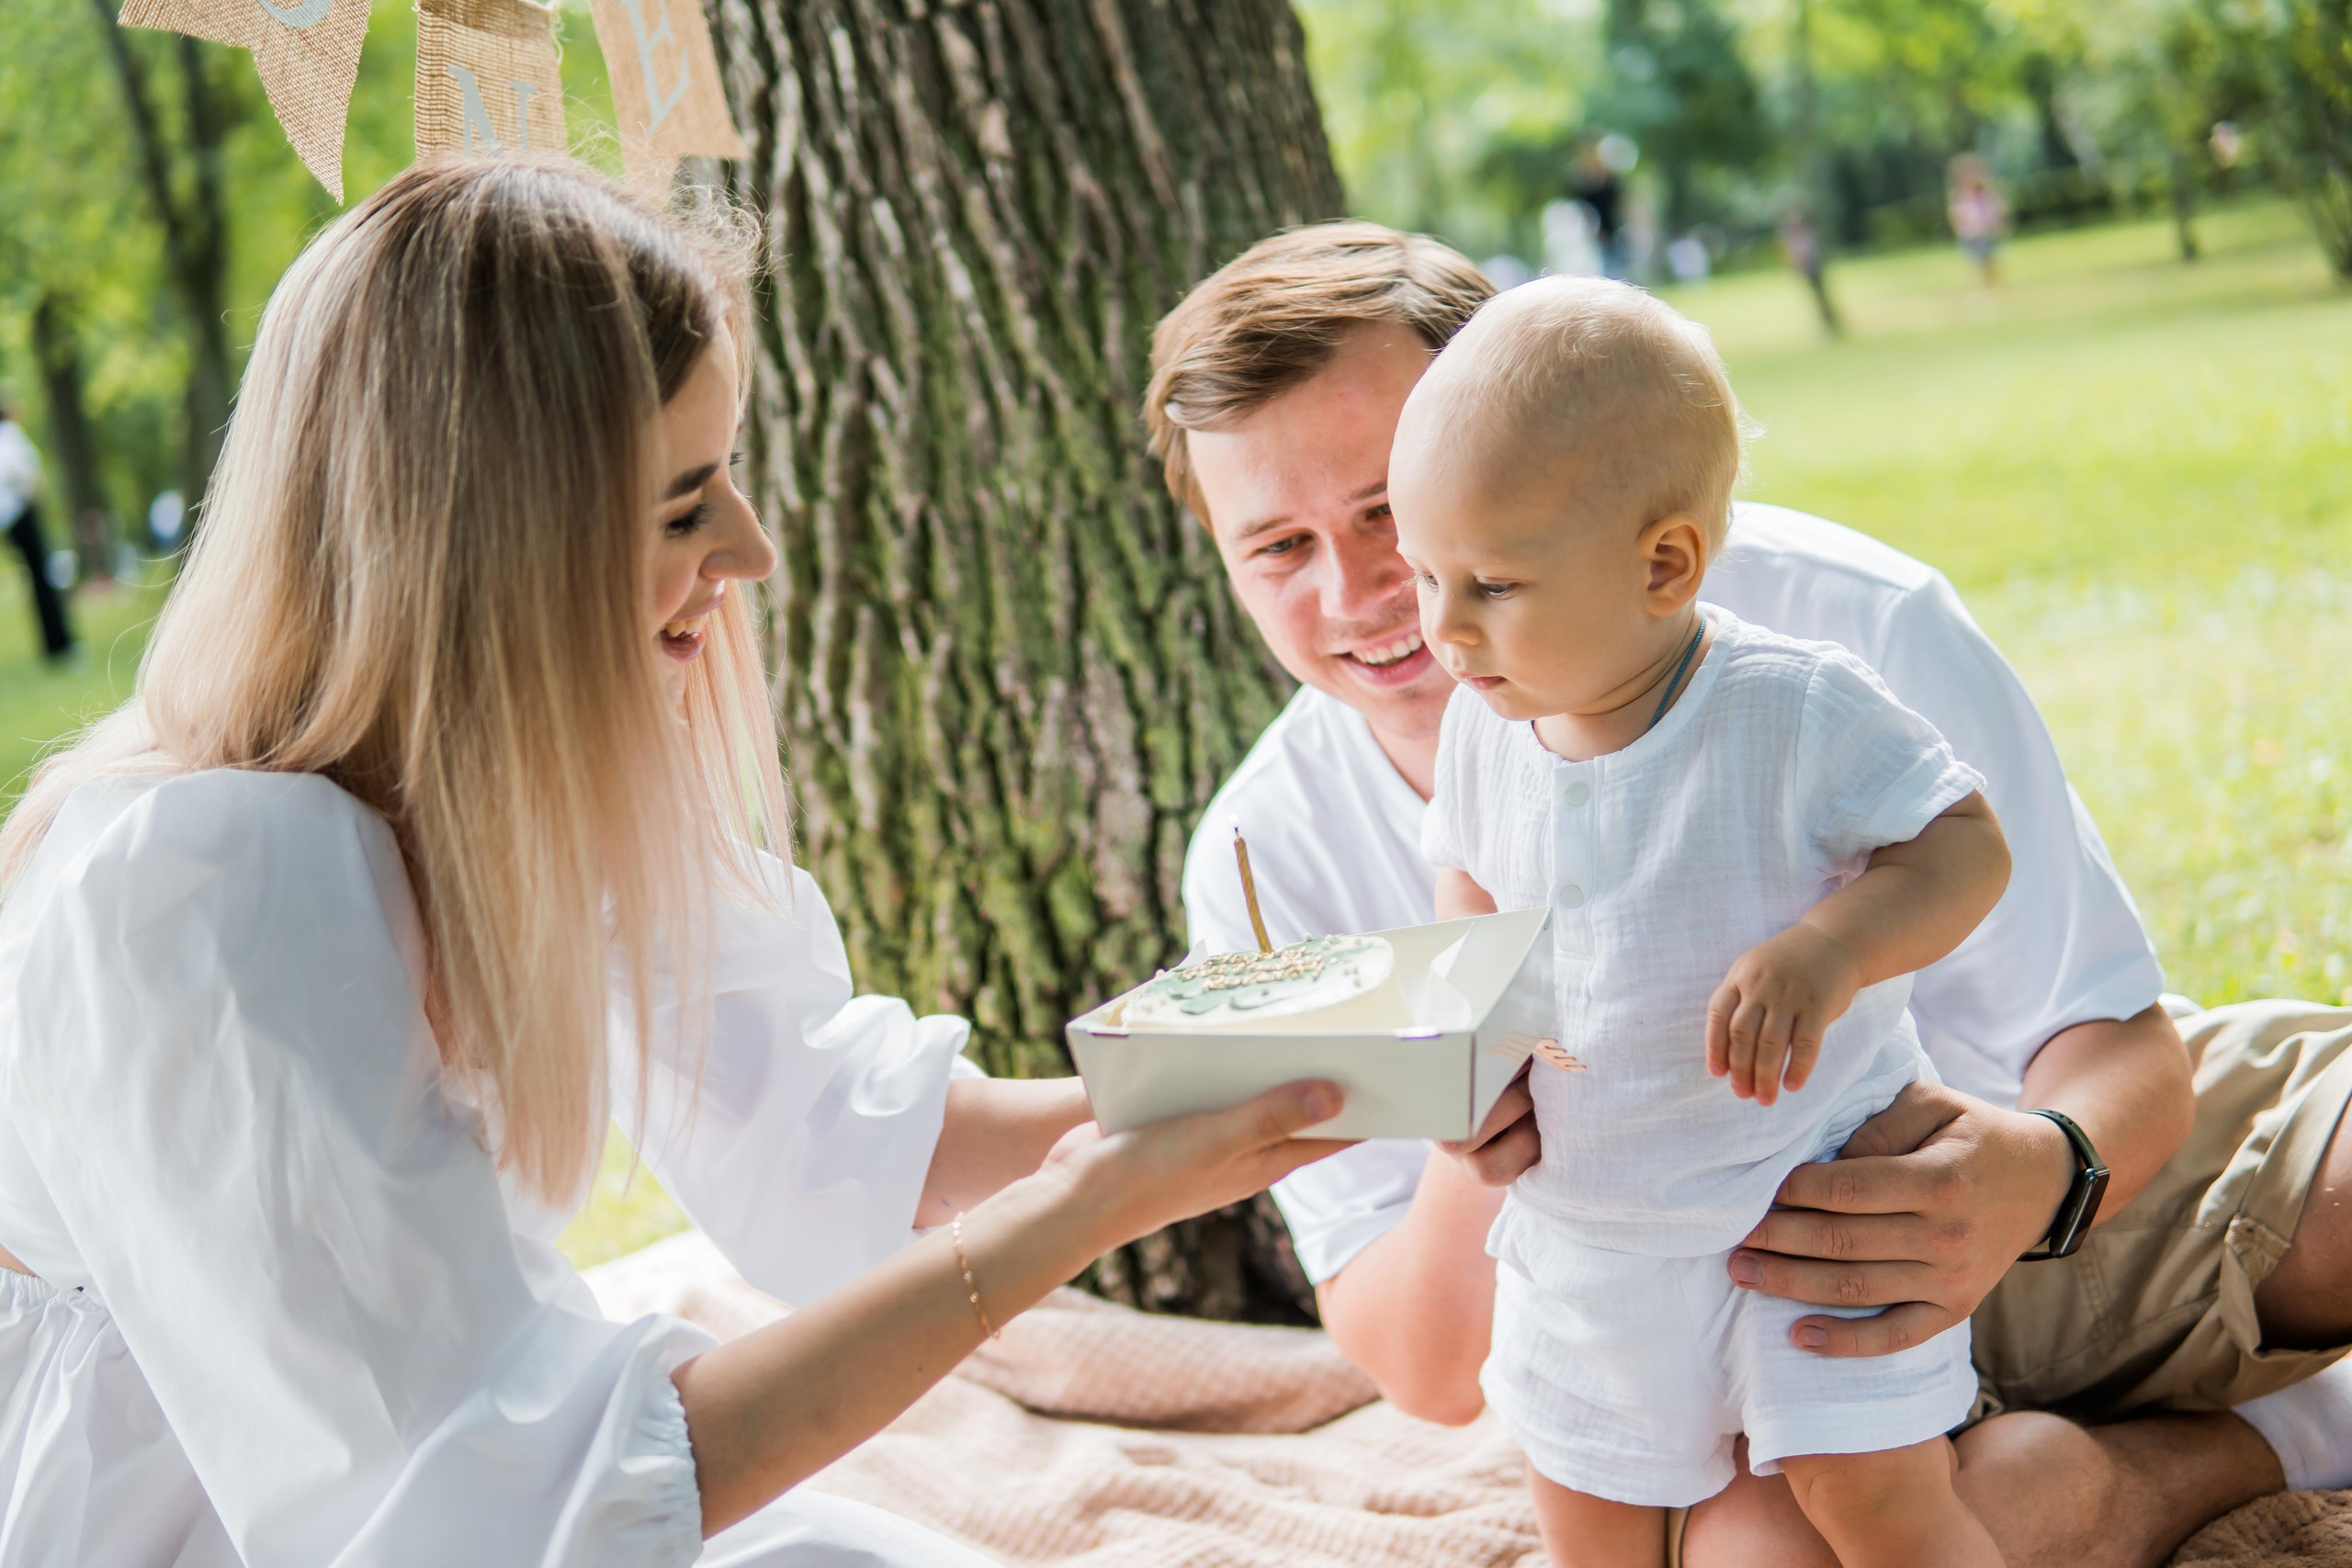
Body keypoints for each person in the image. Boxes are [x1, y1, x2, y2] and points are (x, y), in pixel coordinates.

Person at [0, 157, 1349, 1567]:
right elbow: (479, 1513)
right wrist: (1082, 1209)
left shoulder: (518, 777)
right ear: (496, 542)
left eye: (731, 477)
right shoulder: (206, 885)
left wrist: (1243, 1082)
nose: (751, 552)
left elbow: (819, 1122)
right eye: (684, 505)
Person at [1147, 220, 2352, 1567]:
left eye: (1388, 509)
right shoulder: (1268, 848)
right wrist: (1466, 1124)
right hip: (1736, 1306)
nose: (1375, 595)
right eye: (1277, 547)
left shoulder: (1838, 632)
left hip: (2025, 1174)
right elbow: (1422, 1366)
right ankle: (2251, 1443)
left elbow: (2118, 1039)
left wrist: (2040, 1173)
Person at [1395, 276, 2017, 1566]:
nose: (1443, 630)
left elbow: (1965, 848)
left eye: (1491, 584)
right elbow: (1469, 888)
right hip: (1588, 1235)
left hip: (1805, 1212)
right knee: (1591, 1515)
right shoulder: (1483, 730)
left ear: (1664, 563)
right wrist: (1469, 1039)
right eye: (1424, 576)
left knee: (1879, 1501)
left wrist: (1835, 945)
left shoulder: (1791, 710)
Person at [0, 400, 77, 662]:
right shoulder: (10, 435)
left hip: (12, 520)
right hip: (23, 514)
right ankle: (59, 644)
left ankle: (54, 644)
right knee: (43, 578)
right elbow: (24, 474)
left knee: (38, 579)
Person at [1948, 155, 2008, 288]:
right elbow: (1956, 214)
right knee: (1977, 260)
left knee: (1989, 259)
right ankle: (1982, 285)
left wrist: (1999, 222)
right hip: (1971, 232)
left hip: (1986, 230)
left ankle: (1992, 284)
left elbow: (1997, 207)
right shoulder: (1960, 194)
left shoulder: (1986, 191)